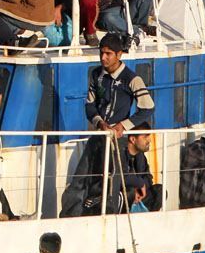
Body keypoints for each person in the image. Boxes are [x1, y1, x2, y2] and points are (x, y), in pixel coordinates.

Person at [60, 34, 155, 217]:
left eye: (108, 54)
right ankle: (69, 218)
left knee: (112, 180)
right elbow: (89, 105)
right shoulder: (96, 75)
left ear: (119, 55)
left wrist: (123, 126)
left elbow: (148, 107)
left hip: (116, 142)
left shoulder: (132, 79)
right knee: (80, 179)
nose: (103, 58)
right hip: (98, 137)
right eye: (101, 53)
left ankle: (110, 218)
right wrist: (100, 123)